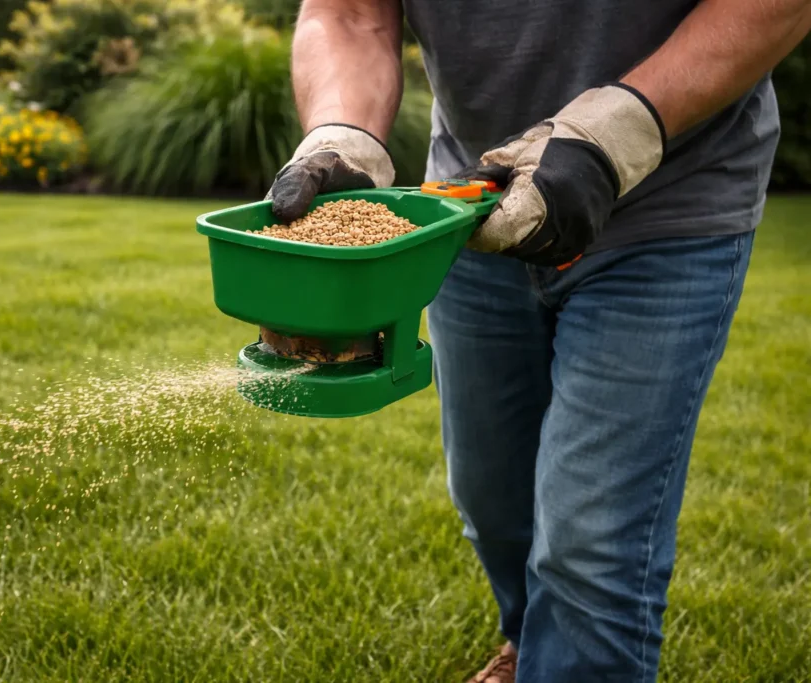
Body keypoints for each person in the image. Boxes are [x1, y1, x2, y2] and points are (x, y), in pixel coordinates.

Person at [265, 1, 811, 681]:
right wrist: (343, 135)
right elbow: (348, 13)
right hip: (470, 206)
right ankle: (535, 646)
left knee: (592, 541)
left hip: (667, 209)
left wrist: (617, 130)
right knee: (493, 500)